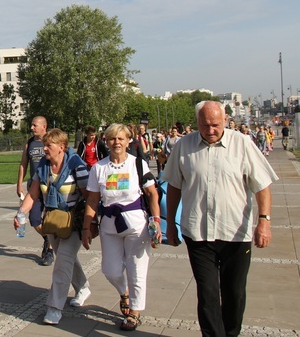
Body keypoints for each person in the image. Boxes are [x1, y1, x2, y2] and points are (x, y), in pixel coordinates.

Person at [162, 101, 277, 337]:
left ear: (225, 120)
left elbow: (262, 185)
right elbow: (173, 186)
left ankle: (231, 333)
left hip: (235, 232)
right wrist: (171, 224)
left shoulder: (242, 144)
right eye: (205, 125)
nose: (211, 130)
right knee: (208, 293)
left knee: (234, 292)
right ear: (197, 123)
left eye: (215, 124)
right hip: (198, 232)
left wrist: (263, 221)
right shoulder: (184, 146)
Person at [81, 123, 161, 332]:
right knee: (111, 270)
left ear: (128, 140)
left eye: (120, 138)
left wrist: (156, 221)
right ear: (106, 142)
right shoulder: (99, 168)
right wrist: (87, 228)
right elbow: (92, 200)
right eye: (112, 139)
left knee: (137, 270)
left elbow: (152, 194)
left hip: (136, 225)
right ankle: (124, 292)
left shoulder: (138, 165)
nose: (116, 142)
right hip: (109, 224)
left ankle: (134, 312)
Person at [14, 129, 91, 325]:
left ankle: (54, 308)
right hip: (53, 222)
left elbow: (91, 197)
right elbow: (33, 195)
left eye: (49, 146)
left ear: (62, 147)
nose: (44, 149)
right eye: (44, 145)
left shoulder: (77, 167)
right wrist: (21, 213)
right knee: (67, 259)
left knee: (62, 263)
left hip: (73, 222)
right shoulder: (43, 167)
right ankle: (83, 288)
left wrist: (90, 225)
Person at [16, 116, 55, 266]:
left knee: (50, 218)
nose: (31, 128)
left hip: (50, 185)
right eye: (32, 125)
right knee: (34, 219)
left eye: (34, 125)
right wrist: (19, 183)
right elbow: (23, 164)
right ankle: (47, 238)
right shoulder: (30, 143)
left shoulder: (51, 141)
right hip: (34, 186)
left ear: (44, 126)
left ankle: (49, 251)